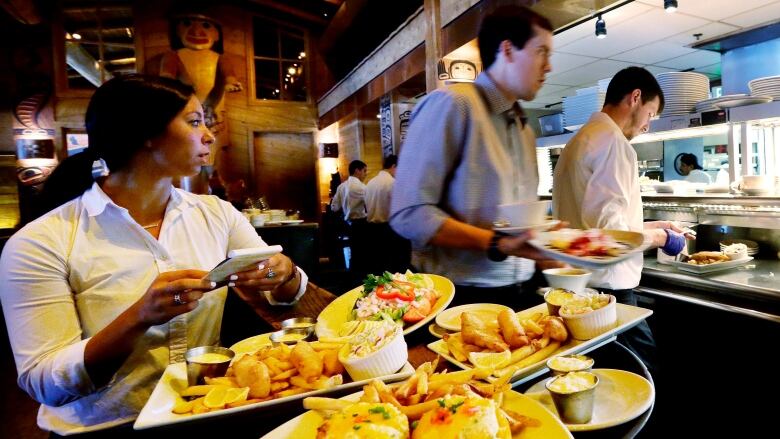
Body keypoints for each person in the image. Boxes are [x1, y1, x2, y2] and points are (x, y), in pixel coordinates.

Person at [0, 75, 307, 435]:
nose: (209, 135)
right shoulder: (40, 242)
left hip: (206, 409)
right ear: (144, 133)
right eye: (194, 122)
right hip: (104, 427)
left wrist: (284, 273)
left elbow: (284, 294)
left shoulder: (216, 213)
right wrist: (139, 317)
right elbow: (43, 381)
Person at [390, 5, 560, 308]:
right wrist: (498, 243)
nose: (549, 67)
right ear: (507, 49)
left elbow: (508, 219)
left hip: (521, 290)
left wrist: (545, 247)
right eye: (542, 52)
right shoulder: (453, 104)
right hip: (461, 295)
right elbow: (409, 214)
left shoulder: (523, 127)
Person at [552, 66, 688, 373]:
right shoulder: (613, 144)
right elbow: (610, 235)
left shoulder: (579, 140)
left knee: (602, 372)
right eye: (651, 114)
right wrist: (663, 239)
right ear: (636, 98)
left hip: (581, 284)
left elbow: (596, 224)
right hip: (609, 290)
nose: (647, 126)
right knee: (642, 372)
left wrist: (652, 227)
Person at [365, 155, 409, 273]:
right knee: (392, 265)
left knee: (378, 264)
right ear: (394, 166)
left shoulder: (370, 183)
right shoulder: (393, 183)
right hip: (388, 229)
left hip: (371, 229)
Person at [331, 160, 368, 277]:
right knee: (361, 254)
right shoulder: (363, 188)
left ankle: (351, 275)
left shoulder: (341, 187)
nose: (365, 174)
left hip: (346, 225)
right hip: (361, 224)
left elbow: (334, 207)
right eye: (364, 171)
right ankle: (359, 277)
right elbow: (370, 205)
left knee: (353, 252)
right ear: (357, 170)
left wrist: (345, 208)